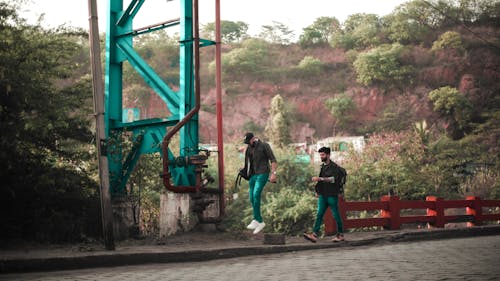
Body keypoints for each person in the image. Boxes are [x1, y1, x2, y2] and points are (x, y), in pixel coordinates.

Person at [303, 146, 345, 243]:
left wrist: (320, 179)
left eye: (323, 154)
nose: (321, 156)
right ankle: (314, 235)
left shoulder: (334, 167)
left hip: (331, 195)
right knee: (319, 214)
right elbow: (321, 181)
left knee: (336, 214)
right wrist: (318, 191)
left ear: (328, 155)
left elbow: (333, 179)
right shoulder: (323, 166)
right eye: (320, 155)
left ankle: (341, 234)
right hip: (323, 195)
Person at [242, 132, 277, 234]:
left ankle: (260, 221)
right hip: (253, 175)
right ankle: (256, 220)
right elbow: (248, 164)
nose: (248, 144)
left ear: (253, 139)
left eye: (248, 141)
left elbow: (273, 160)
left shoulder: (264, 146)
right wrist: (244, 171)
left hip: (263, 173)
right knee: (252, 197)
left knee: (256, 194)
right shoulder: (249, 148)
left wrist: (273, 173)